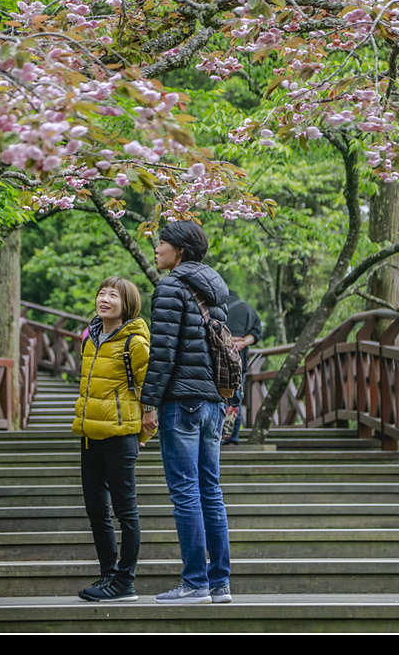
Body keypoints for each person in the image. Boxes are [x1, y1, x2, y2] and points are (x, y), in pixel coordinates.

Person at [140, 221, 233, 605]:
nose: (157, 249)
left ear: (179, 251)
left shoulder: (170, 287)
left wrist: (149, 403)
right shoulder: (215, 290)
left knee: (185, 492)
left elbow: (162, 353)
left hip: (181, 401)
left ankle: (195, 582)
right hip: (213, 402)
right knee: (210, 491)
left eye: (162, 243)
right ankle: (219, 583)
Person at [73, 276, 151, 602]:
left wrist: (145, 433)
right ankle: (108, 576)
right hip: (90, 434)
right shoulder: (91, 337)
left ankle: (125, 582)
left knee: (125, 511)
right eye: (101, 293)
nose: (104, 299)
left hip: (121, 435)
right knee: (96, 510)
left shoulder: (134, 341)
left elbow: (151, 390)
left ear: (127, 304)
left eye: (113, 295)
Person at [222, 289, 262, 445]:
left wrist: (228, 340)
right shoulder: (247, 308)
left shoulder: (216, 308)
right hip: (239, 361)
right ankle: (231, 439)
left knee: (216, 400)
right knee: (235, 400)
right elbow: (256, 333)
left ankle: (215, 437)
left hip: (216, 359)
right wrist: (243, 342)